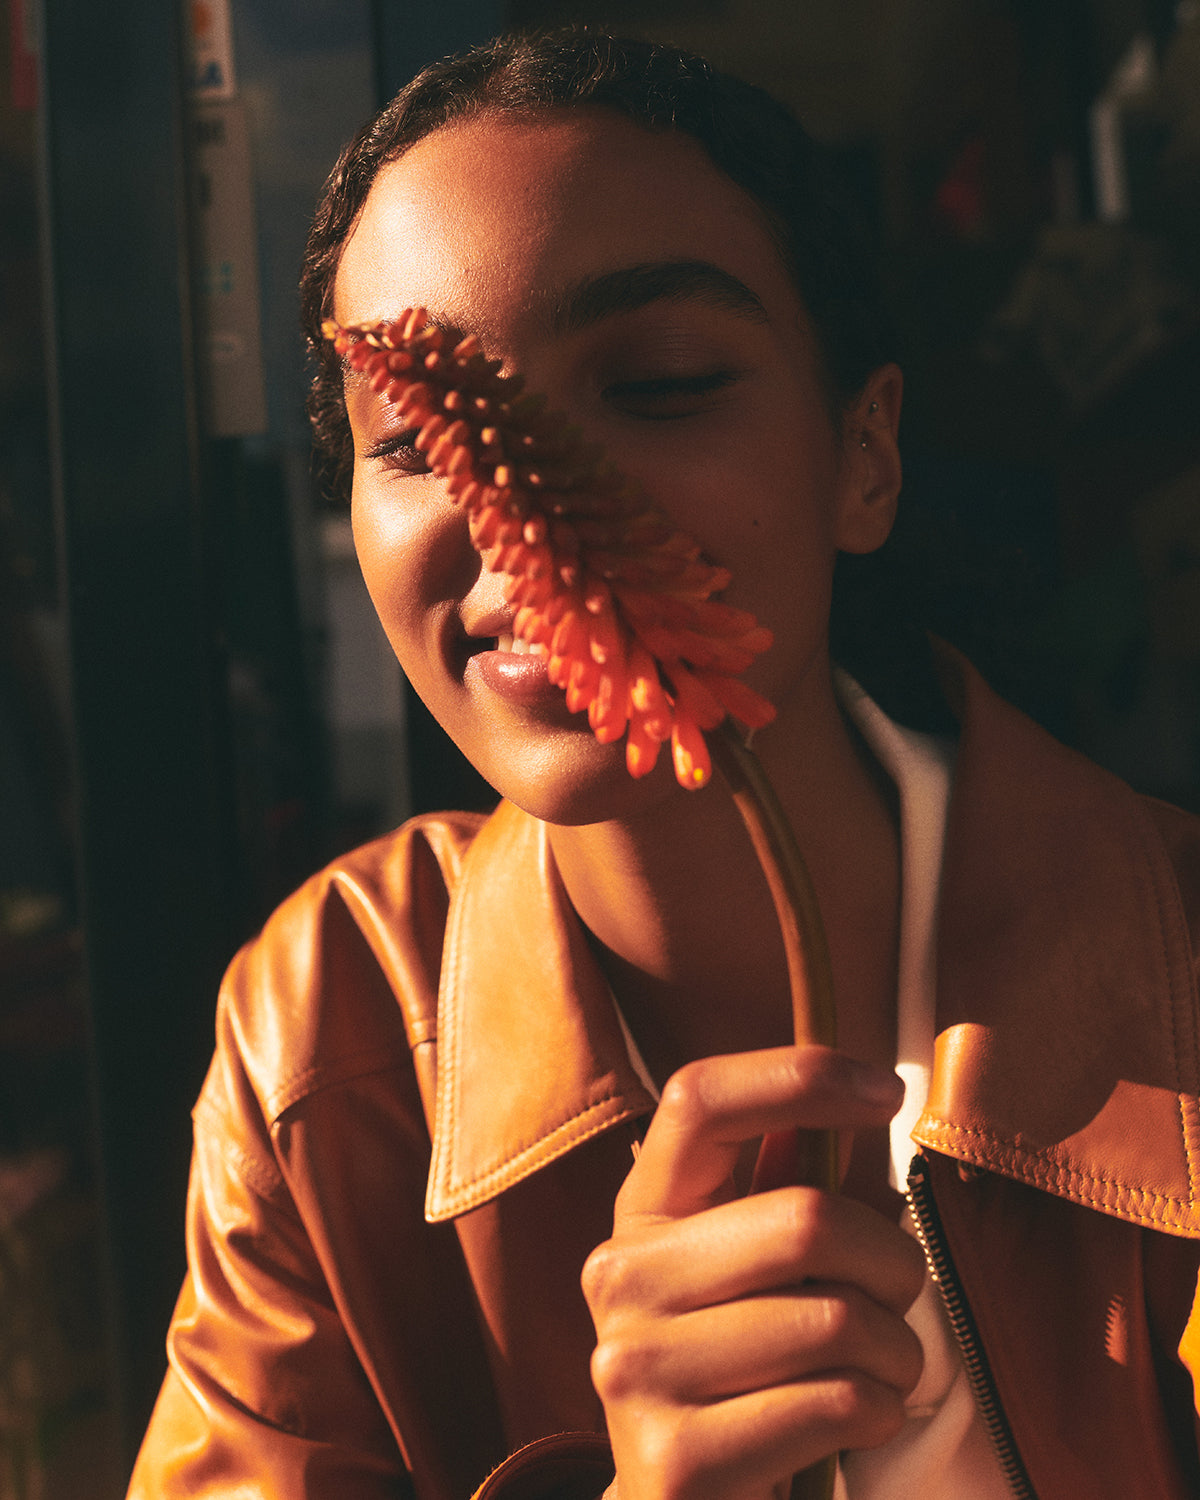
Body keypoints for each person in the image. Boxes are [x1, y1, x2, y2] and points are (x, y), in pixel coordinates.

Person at [128, 28, 1200, 1500]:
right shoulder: (332, 1030)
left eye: (663, 381)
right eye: (421, 439)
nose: (525, 523)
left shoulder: (1176, 958)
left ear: (864, 455)